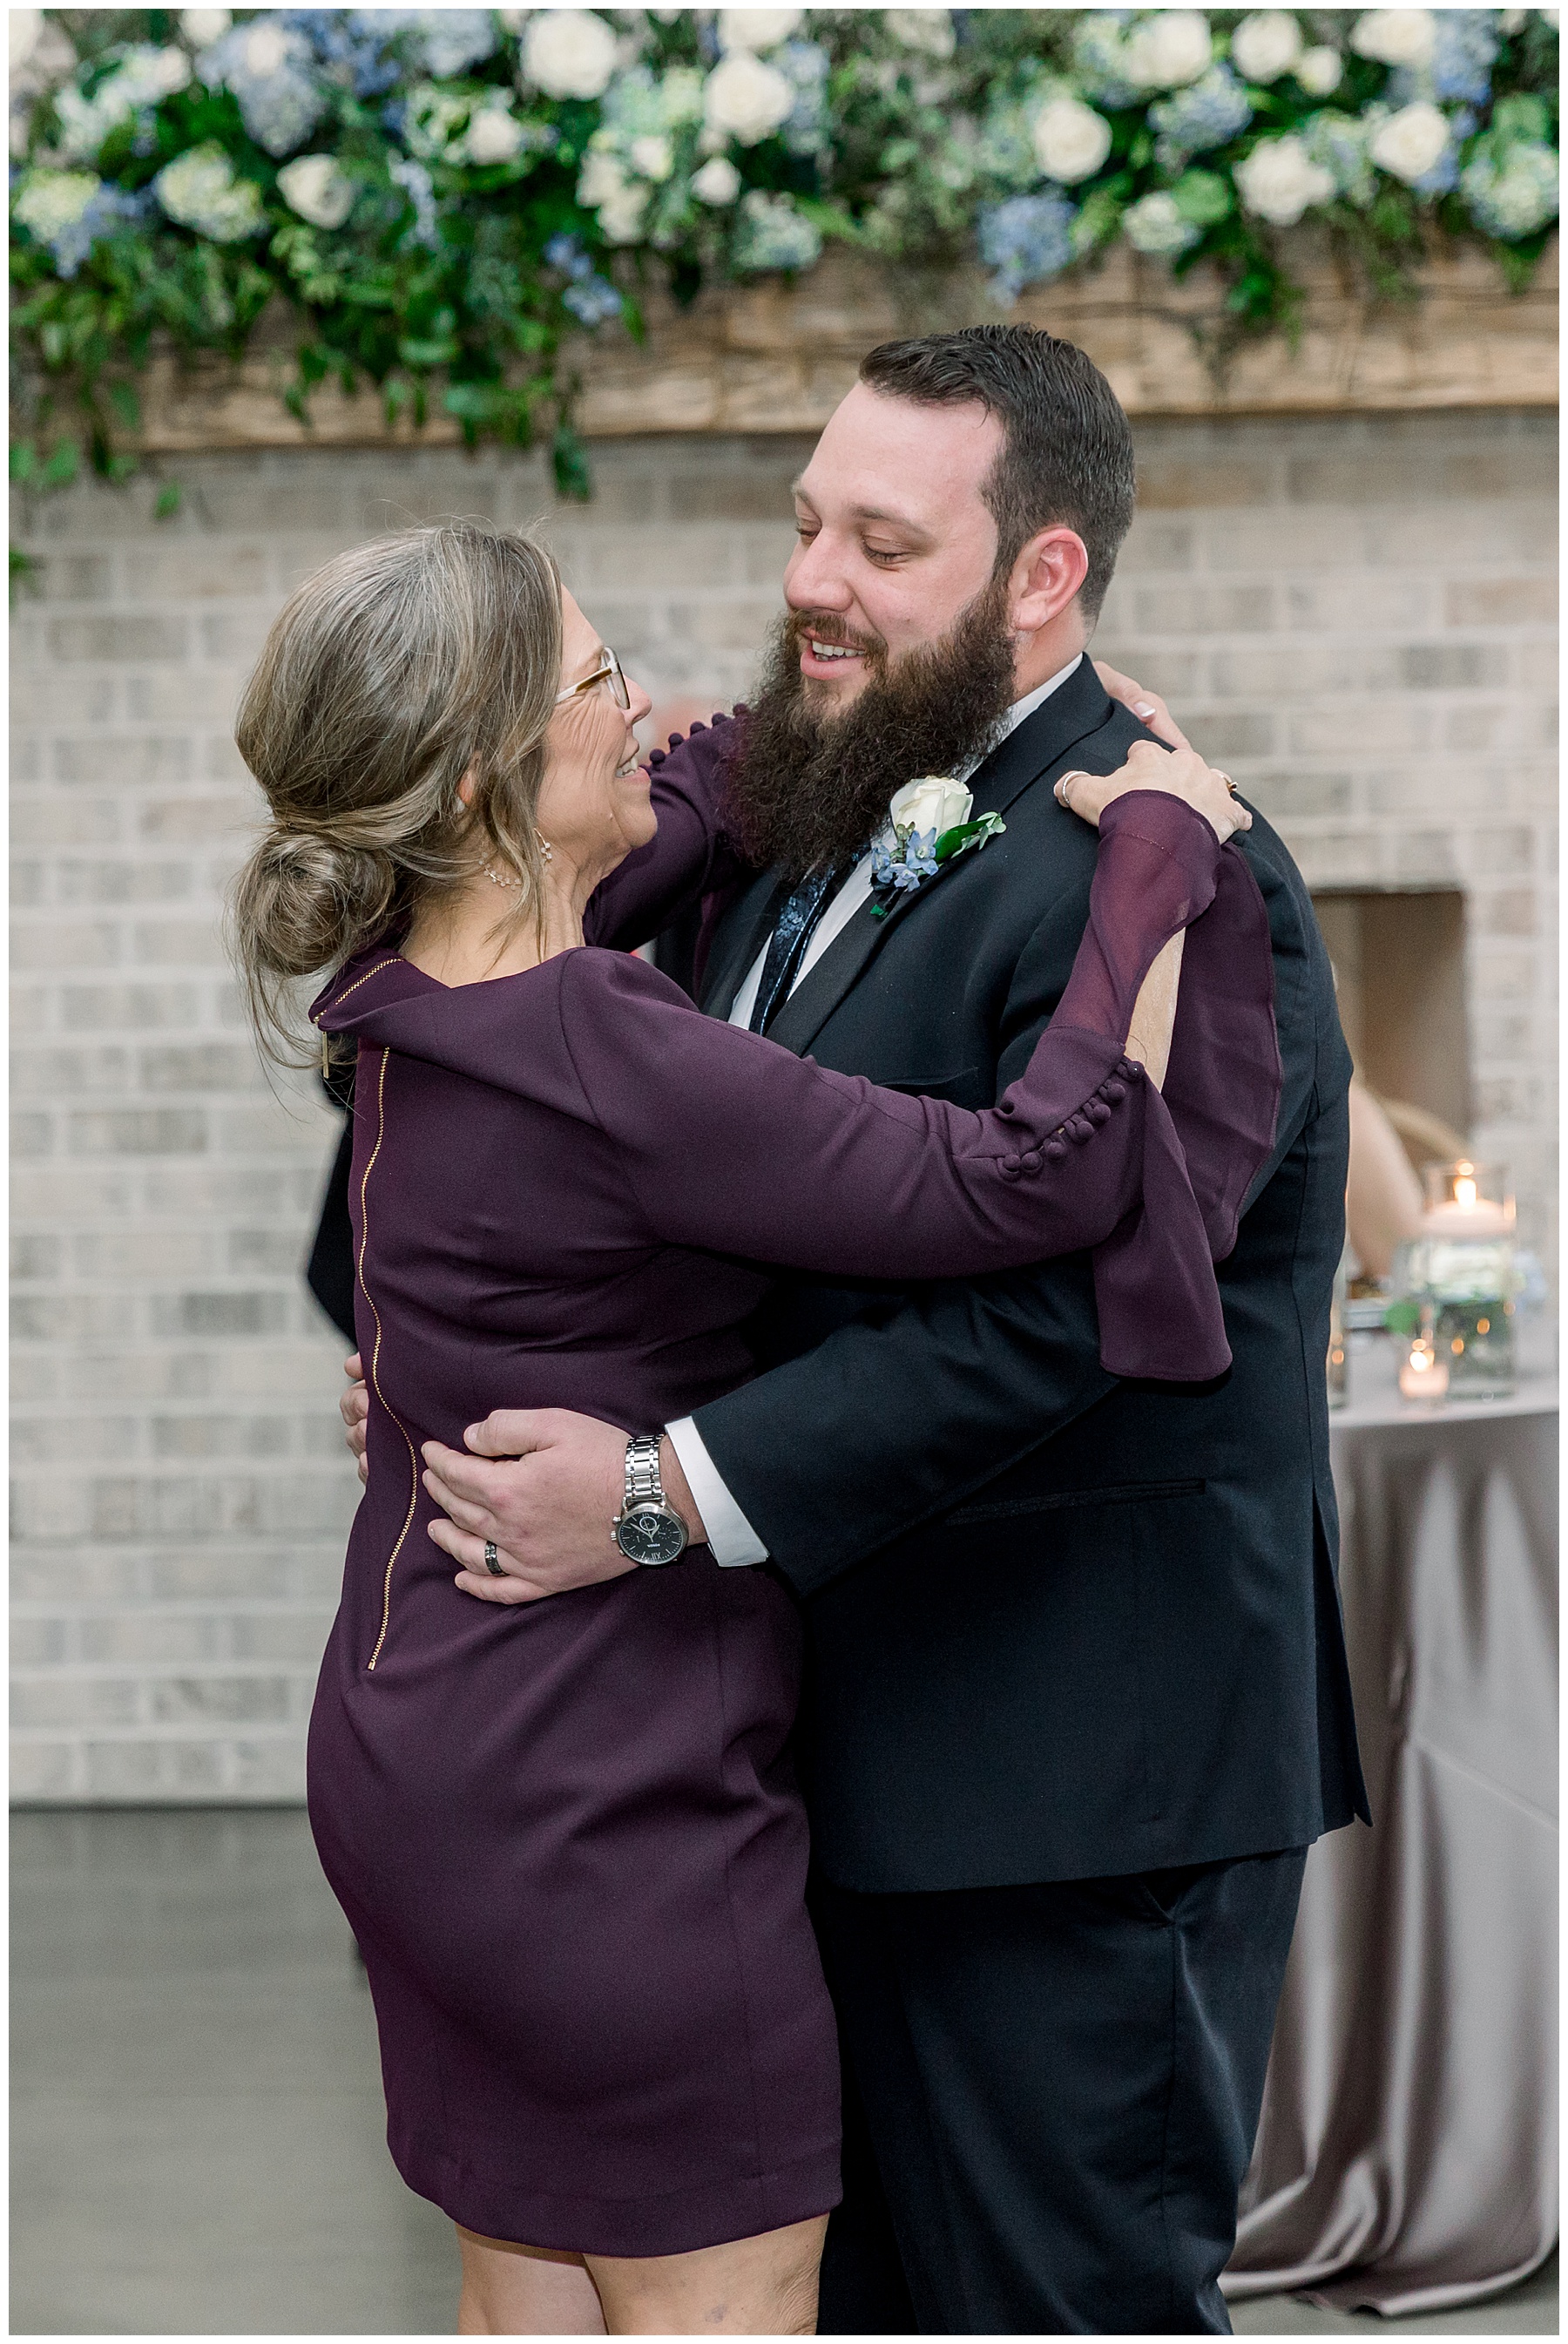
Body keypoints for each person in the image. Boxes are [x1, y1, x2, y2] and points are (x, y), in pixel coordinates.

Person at [358, 328, 1370, 2336]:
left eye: (883, 545)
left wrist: (657, 1492)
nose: (812, 577)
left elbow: (1082, 1313)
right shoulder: (819, 805)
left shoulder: (1178, 878)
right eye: (808, 520)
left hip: (1067, 1791)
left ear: (1045, 574)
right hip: (813, 1769)